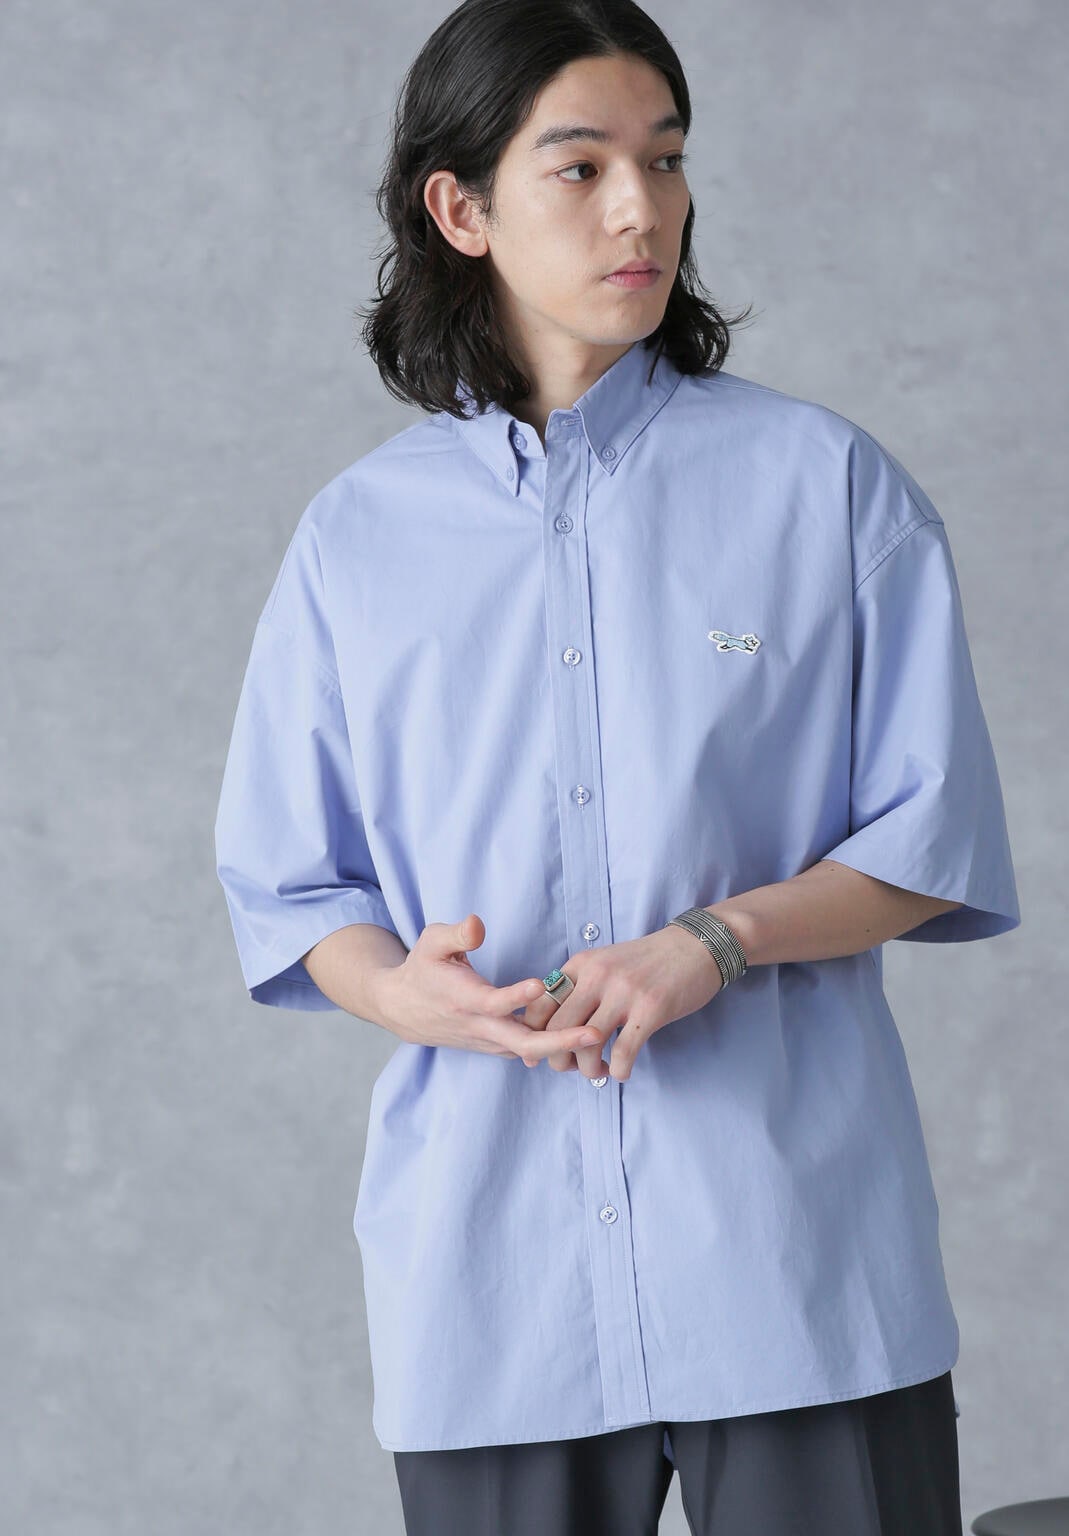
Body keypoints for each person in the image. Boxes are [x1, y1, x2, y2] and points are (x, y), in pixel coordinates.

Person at [213, 1, 1021, 1532]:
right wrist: (406, 994)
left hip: (794, 1256)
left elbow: (929, 836)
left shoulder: (826, 488)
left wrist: (716, 940)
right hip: (491, 1276)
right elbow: (293, 886)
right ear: (462, 209)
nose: (641, 209)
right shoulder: (355, 542)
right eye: (580, 167)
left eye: (666, 159)